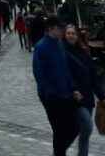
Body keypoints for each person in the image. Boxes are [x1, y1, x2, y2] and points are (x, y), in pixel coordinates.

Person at [33, 15, 80, 156]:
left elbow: (64, 68)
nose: (62, 30)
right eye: (59, 27)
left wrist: (73, 87)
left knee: (74, 127)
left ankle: (59, 152)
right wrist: (48, 93)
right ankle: (59, 153)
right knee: (59, 130)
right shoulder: (41, 46)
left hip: (66, 92)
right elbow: (38, 72)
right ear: (50, 28)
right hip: (51, 96)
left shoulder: (59, 44)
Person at [63, 24, 105, 156]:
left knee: (84, 131)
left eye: (73, 33)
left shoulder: (84, 53)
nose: (71, 35)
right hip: (75, 97)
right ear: (64, 36)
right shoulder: (61, 53)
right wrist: (74, 89)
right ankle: (60, 151)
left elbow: (92, 75)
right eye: (68, 33)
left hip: (87, 96)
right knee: (87, 126)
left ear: (77, 36)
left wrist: (101, 95)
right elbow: (64, 76)